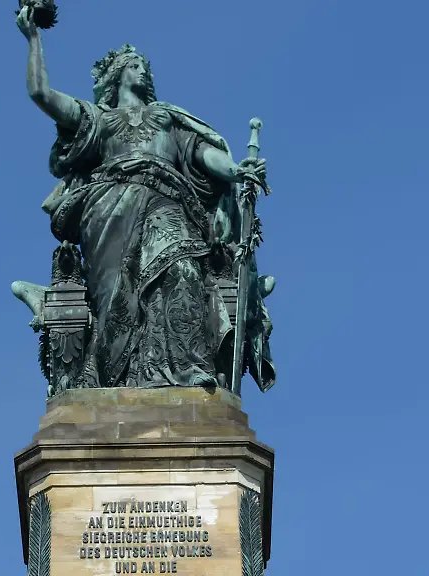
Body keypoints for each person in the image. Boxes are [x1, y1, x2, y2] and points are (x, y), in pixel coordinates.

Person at [16, 6, 275, 391]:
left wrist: (236, 171)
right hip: (109, 210)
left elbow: (201, 154)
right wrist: (33, 38)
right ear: (117, 75)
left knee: (183, 268)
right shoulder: (99, 122)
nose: (142, 70)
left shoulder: (167, 118)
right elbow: (41, 94)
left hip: (168, 201)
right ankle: (116, 376)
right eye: (133, 65)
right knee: (113, 302)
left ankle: (184, 370)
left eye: (143, 66)